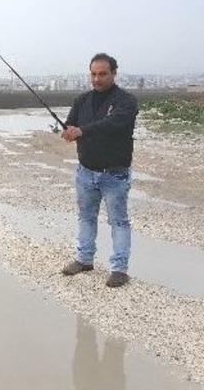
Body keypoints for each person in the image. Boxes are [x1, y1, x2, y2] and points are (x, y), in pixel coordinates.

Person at [60, 53, 138, 288]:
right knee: (86, 217)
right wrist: (68, 131)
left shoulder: (126, 101)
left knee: (119, 221)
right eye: (93, 74)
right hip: (86, 172)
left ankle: (119, 269)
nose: (97, 79)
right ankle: (84, 260)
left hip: (115, 174)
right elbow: (71, 123)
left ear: (114, 74)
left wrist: (82, 131)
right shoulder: (81, 100)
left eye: (102, 74)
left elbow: (113, 124)